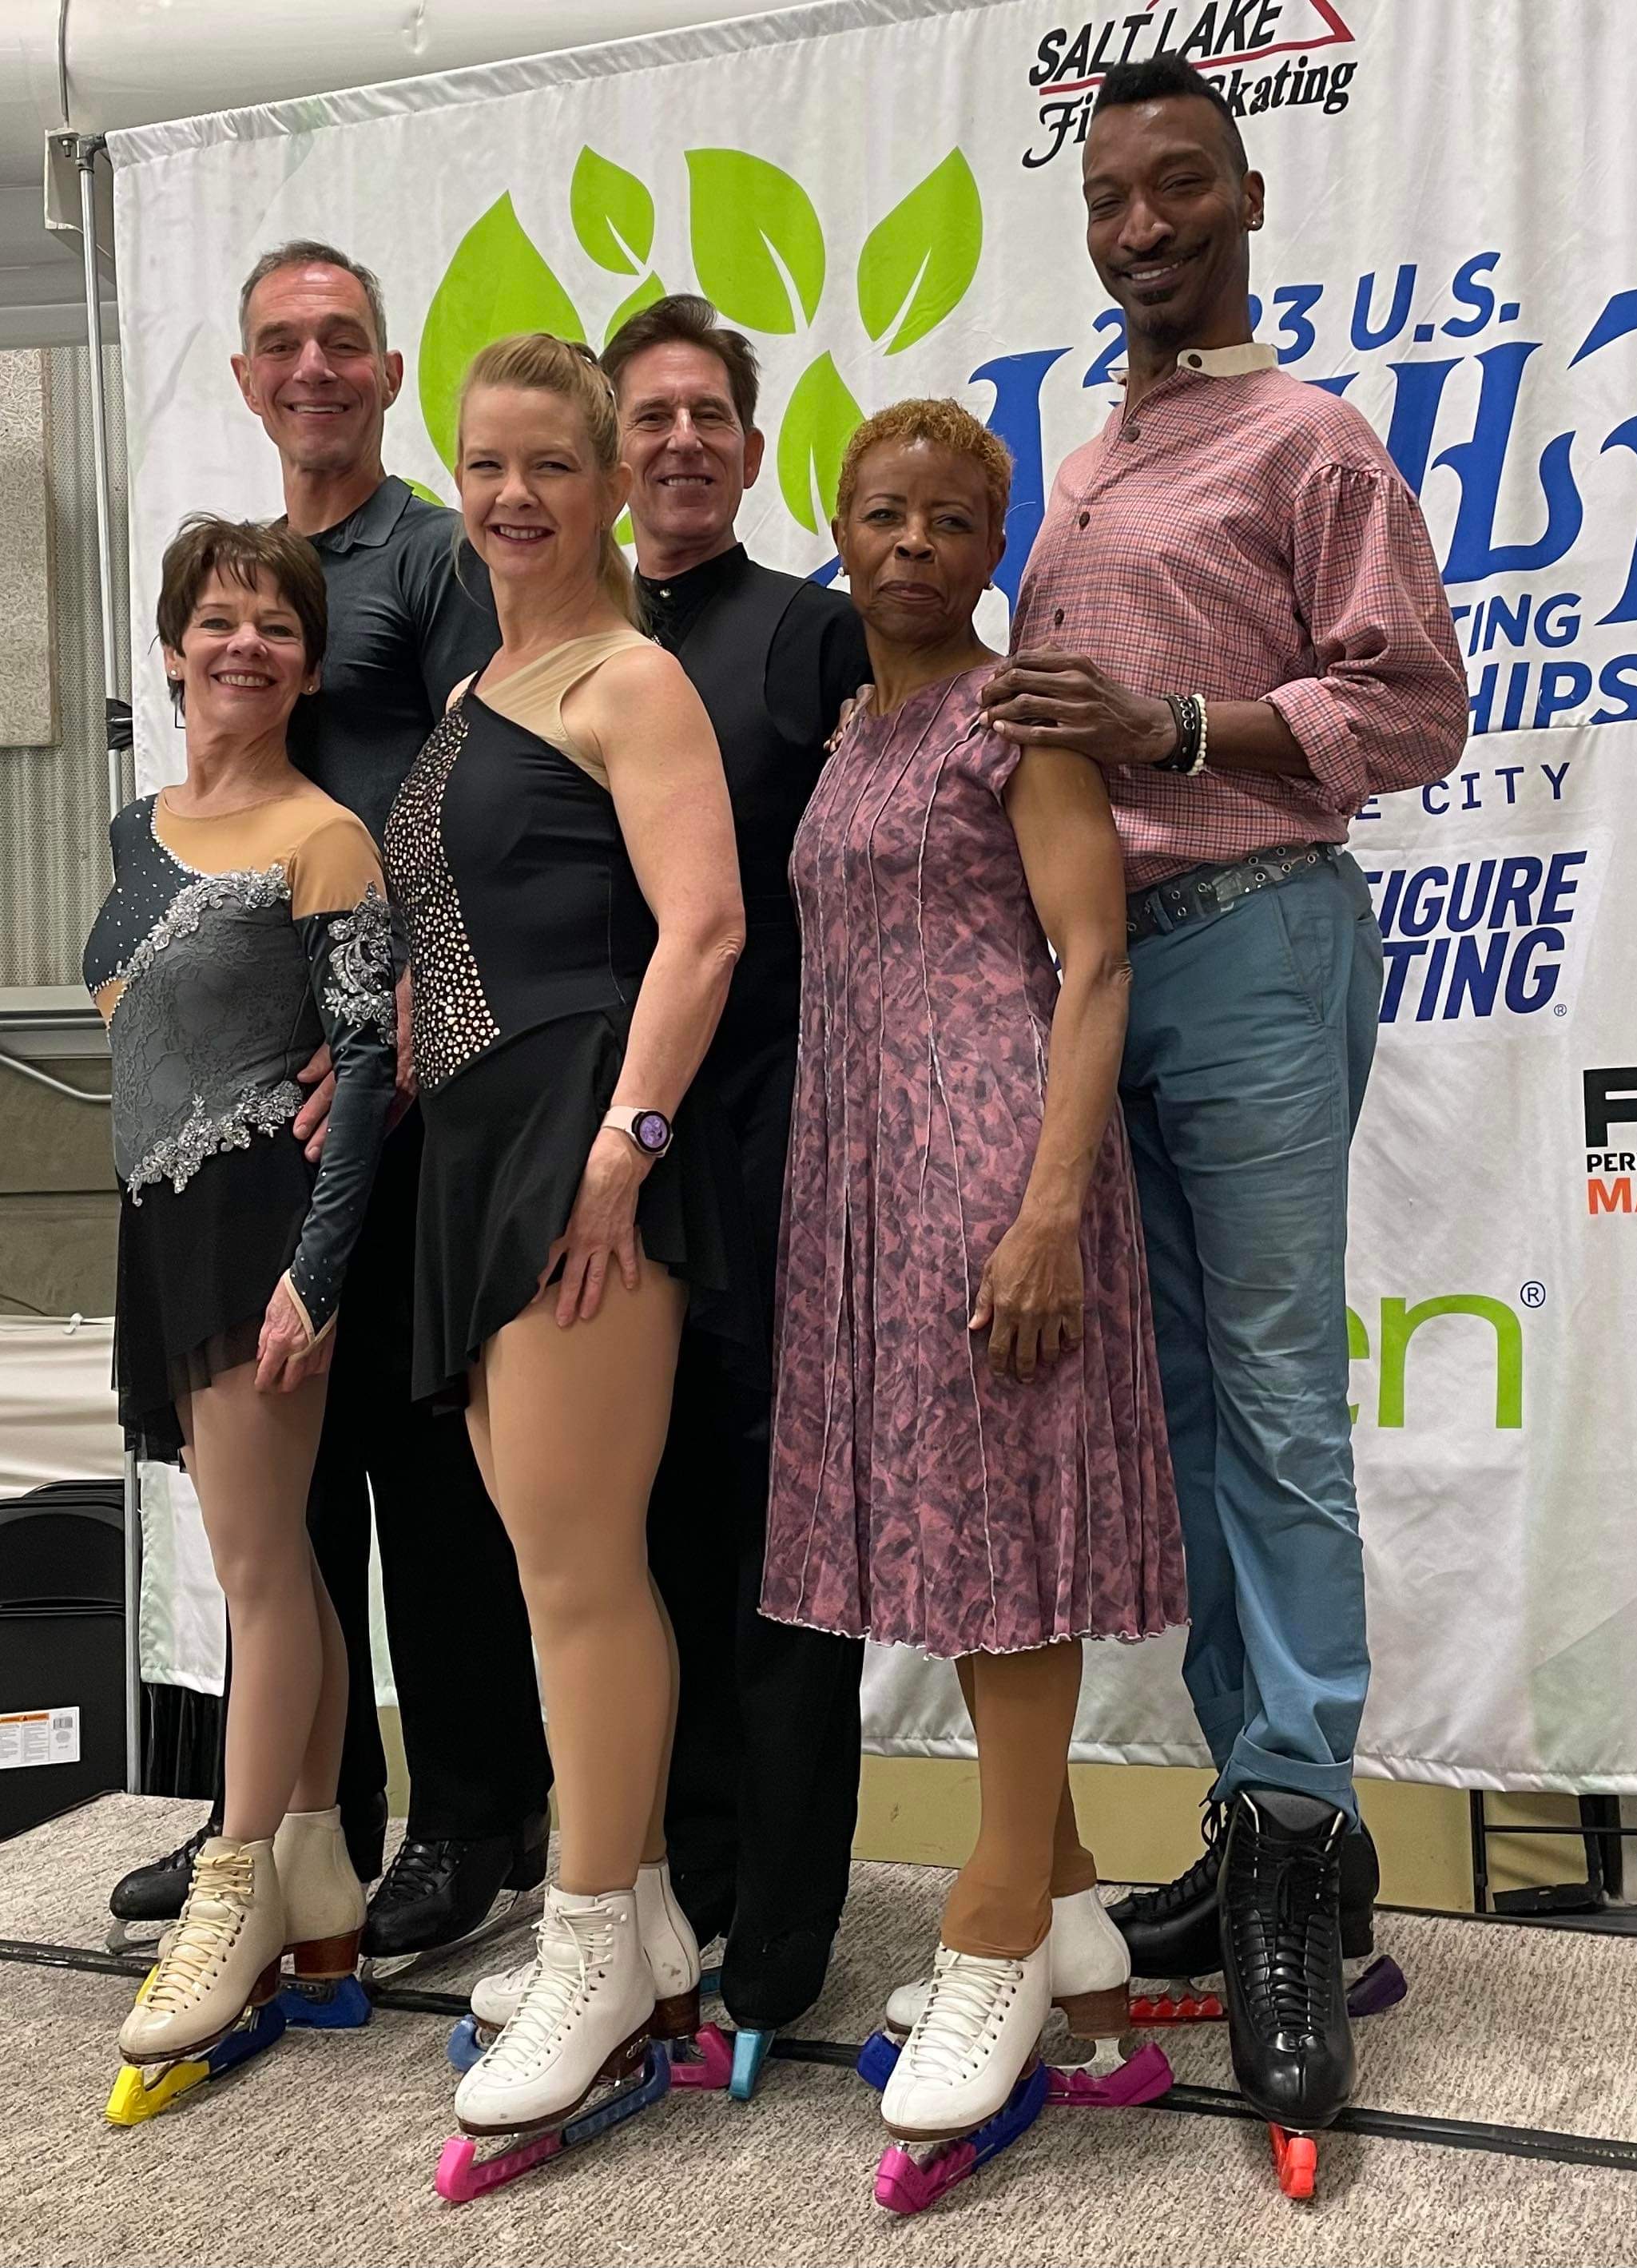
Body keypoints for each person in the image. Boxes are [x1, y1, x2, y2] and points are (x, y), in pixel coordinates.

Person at [980, 56, 1468, 2141]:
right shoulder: (1082, 465)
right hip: (1104, 983)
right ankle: (1260, 1809)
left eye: (1181, 185)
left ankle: (1290, 1851)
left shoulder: (1312, 438)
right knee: (1175, 1423)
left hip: (1261, 940)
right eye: (1112, 194)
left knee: (1271, 1397)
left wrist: (1177, 717)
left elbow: (1417, 703)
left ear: (1247, 195)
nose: (1142, 222)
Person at [109, 242, 553, 1965]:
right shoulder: (272, 575)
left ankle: (466, 1824)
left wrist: (411, 1020)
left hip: (401, 1087)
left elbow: (481, 789)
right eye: (281, 344)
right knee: (280, 1498)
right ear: (243, 380)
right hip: (254, 1110)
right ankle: (302, 1820)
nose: (313, 368)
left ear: (386, 370)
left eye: (343, 343)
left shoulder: (438, 552)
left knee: (419, 1473)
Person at [761, 399, 1184, 2172]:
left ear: (995, 544)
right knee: (949, 1552)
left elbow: (1095, 965)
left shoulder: (1022, 720)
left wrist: (1049, 1211)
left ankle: (997, 1928)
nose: (915, 540)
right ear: (841, 529)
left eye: (950, 517)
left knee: (1005, 1550)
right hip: (863, 1181)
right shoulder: (856, 728)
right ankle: (1077, 1921)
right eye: (884, 512)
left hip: (989, 1169)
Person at [385, 332, 751, 2146]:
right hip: (474, 1150)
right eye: (482, 466)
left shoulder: (631, 679)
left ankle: (596, 1941)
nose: (511, 495)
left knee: (579, 1565)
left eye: (547, 462)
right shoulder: (475, 688)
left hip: (574, 1143)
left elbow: (703, 933)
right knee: (558, 1555)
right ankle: (653, 1905)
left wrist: (622, 1153)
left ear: (611, 480)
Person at [85, 517, 394, 2066]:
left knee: (258, 1579)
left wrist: (316, 1274)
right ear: (173, 646)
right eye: (220, 618)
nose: (246, 643)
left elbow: (372, 1073)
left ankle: (234, 1883)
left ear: (309, 664)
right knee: (279, 1565)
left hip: (261, 1226)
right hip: (162, 1224)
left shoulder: (327, 836)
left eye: (277, 624)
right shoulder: (136, 829)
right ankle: (319, 1867)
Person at [598, 294, 869, 2038]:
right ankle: (668, 1897)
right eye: (652, 417)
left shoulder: (818, 637)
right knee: (648, 1551)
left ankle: (780, 1940)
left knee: (781, 1576)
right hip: (607, 1177)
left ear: (752, 454)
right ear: (610, 452)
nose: (683, 439)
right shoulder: (559, 652)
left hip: (779, 1165)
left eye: (712, 416)